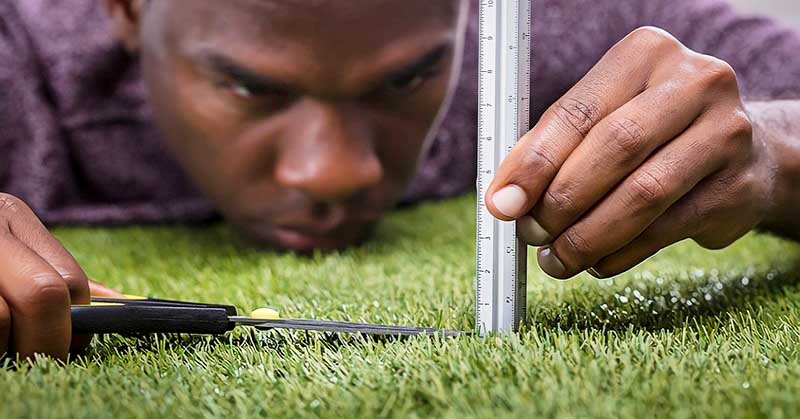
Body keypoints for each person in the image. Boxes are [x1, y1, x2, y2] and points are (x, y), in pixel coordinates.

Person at [0, 0, 798, 359]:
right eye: (251, 87)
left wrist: (767, 152)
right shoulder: (18, 61)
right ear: (129, 10)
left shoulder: (526, 37)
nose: (339, 172)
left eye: (405, 79)